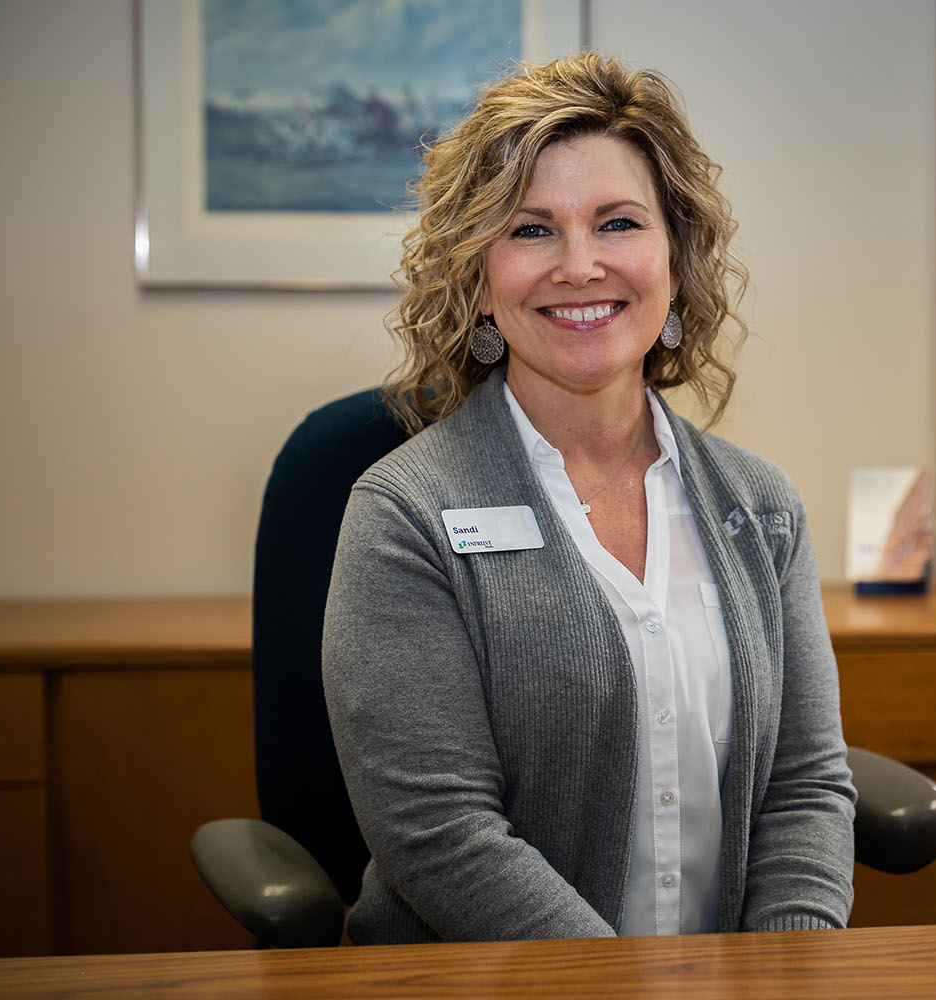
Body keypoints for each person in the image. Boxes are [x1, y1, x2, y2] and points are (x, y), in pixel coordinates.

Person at [321, 52, 855, 944]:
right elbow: (442, 837)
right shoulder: (403, 516)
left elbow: (805, 783)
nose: (580, 265)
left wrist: (785, 972)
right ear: (477, 278)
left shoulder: (762, 509)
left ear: (675, 259)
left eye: (617, 223)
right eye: (531, 231)